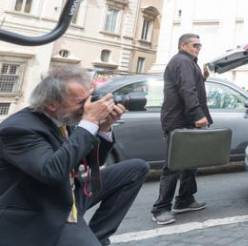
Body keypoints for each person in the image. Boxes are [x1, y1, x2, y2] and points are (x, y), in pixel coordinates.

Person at [0, 67, 148, 246]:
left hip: (70, 194)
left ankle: (97, 236)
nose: (87, 107)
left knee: (136, 169)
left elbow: (92, 162)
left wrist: (103, 129)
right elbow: (51, 172)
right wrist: (89, 122)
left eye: (89, 99)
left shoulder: (63, 117)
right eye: (81, 102)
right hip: (44, 207)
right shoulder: (19, 130)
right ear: (52, 104)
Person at [151, 33, 213, 225]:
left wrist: (202, 77)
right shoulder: (183, 61)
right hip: (178, 121)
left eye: (200, 45)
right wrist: (198, 115)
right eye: (195, 45)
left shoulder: (188, 63)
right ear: (183, 45)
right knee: (174, 165)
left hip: (185, 120)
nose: (198, 48)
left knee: (190, 162)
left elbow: (190, 85)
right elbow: (187, 89)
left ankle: (185, 200)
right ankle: (160, 208)